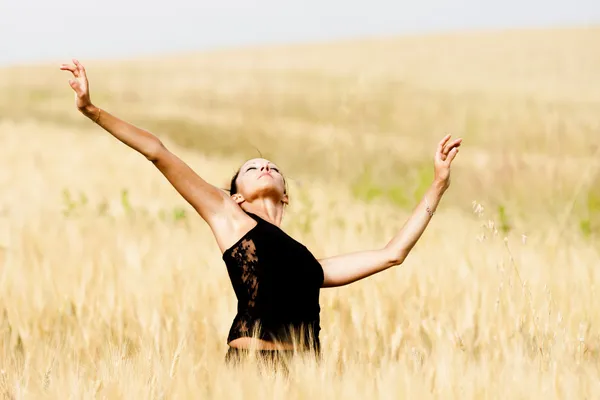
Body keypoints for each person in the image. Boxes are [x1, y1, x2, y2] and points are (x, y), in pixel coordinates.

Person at [60, 59, 462, 368]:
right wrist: (92, 109)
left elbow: (392, 254)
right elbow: (158, 152)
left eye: (272, 166)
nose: (264, 167)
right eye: (251, 168)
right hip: (251, 370)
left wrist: (438, 184)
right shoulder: (227, 217)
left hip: (304, 374)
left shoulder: (310, 266)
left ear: (286, 195)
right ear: (235, 196)